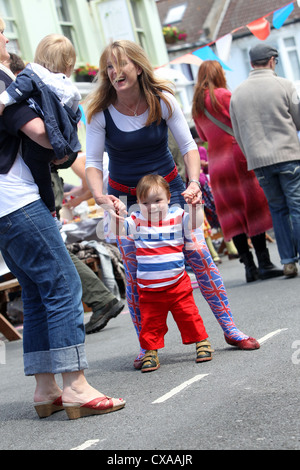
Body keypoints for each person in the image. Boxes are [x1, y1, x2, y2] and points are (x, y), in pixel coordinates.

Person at [85, 40, 260, 370]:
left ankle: (230, 329)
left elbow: (189, 146)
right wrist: (98, 196)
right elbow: (93, 161)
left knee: (200, 256)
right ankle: (146, 346)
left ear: (137, 67)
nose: (115, 71)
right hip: (124, 201)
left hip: (173, 193)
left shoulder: (162, 101)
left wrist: (194, 182)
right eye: (109, 66)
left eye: (121, 64)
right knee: (137, 272)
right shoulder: (100, 113)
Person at [0, 21, 125, 420]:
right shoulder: (9, 81)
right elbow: (39, 133)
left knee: (37, 290)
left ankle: (45, 388)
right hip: (15, 198)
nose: (7, 38)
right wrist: (61, 144)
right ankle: (75, 386)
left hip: (8, 203)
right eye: (2, 32)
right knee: (64, 283)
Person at [192, 60, 283, 283]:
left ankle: (248, 267)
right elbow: (244, 122)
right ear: (217, 75)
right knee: (252, 206)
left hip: (216, 161)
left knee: (231, 212)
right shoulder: (224, 95)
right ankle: (265, 263)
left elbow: (203, 137)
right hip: (236, 156)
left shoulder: (196, 106)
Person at [115, 174, 214, 372]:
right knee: (150, 323)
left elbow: (195, 223)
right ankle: (150, 351)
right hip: (149, 289)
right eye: (145, 203)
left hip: (178, 284)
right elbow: (119, 229)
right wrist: (115, 213)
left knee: (189, 315)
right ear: (138, 204)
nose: (152, 207)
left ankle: (202, 342)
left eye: (158, 200)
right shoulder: (136, 220)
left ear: (169, 198)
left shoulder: (177, 215)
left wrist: (195, 206)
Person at [230, 44, 300, 279]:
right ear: (272, 60)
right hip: (288, 155)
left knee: (278, 210)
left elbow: (238, 133)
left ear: (252, 63)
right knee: (297, 207)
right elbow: (298, 120)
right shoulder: (285, 85)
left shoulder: (237, 93)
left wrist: (252, 154)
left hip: (259, 161)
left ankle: (288, 261)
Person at [0, 34, 82, 224]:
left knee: (39, 173)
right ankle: (52, 213)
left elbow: (15, 93)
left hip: (41, 145)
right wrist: (64, 147)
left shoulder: (32, 75)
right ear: (69, 66)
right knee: (44, 173)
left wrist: (3, 102)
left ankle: (50, 212)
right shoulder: (69, 88)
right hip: (61, 141)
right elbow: (73, 118)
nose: (6, 40)